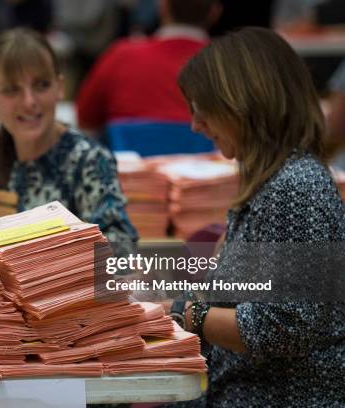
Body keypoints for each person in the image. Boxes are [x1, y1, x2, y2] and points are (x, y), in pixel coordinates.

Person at [163, 27, 345, 406]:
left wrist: (184, 311)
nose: (196, 125)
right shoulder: (272, 183)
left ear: (242, 104)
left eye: (202, 109)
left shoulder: (295, 188)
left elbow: (284, 326)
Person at [0, 28, 138, 268]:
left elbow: (123, 246)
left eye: (41, 85)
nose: (29, 101)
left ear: (59, 88)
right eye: (11, 90)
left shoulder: (89, 161)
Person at [76, 0, 221, 133]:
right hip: (214, 159)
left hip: (130, 157)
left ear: (162, 6)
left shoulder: (121, 55)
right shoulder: (228, 64)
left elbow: (85, 118)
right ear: (215, 12)